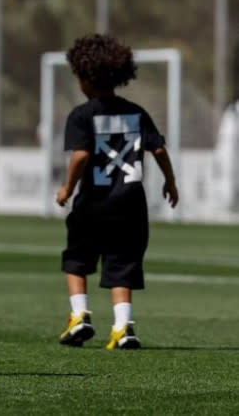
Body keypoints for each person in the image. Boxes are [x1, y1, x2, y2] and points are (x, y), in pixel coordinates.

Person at [55, 33, 178, 350]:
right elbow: (160, 150)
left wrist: (67, 188)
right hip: (131, 204)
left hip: (94, 203)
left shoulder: (82, 116)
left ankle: (79, 315)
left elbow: (81, 156)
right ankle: (123, 326)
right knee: (122, 265)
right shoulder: (137, 113)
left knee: (76, 259)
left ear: (85, 77)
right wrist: (170, 182)